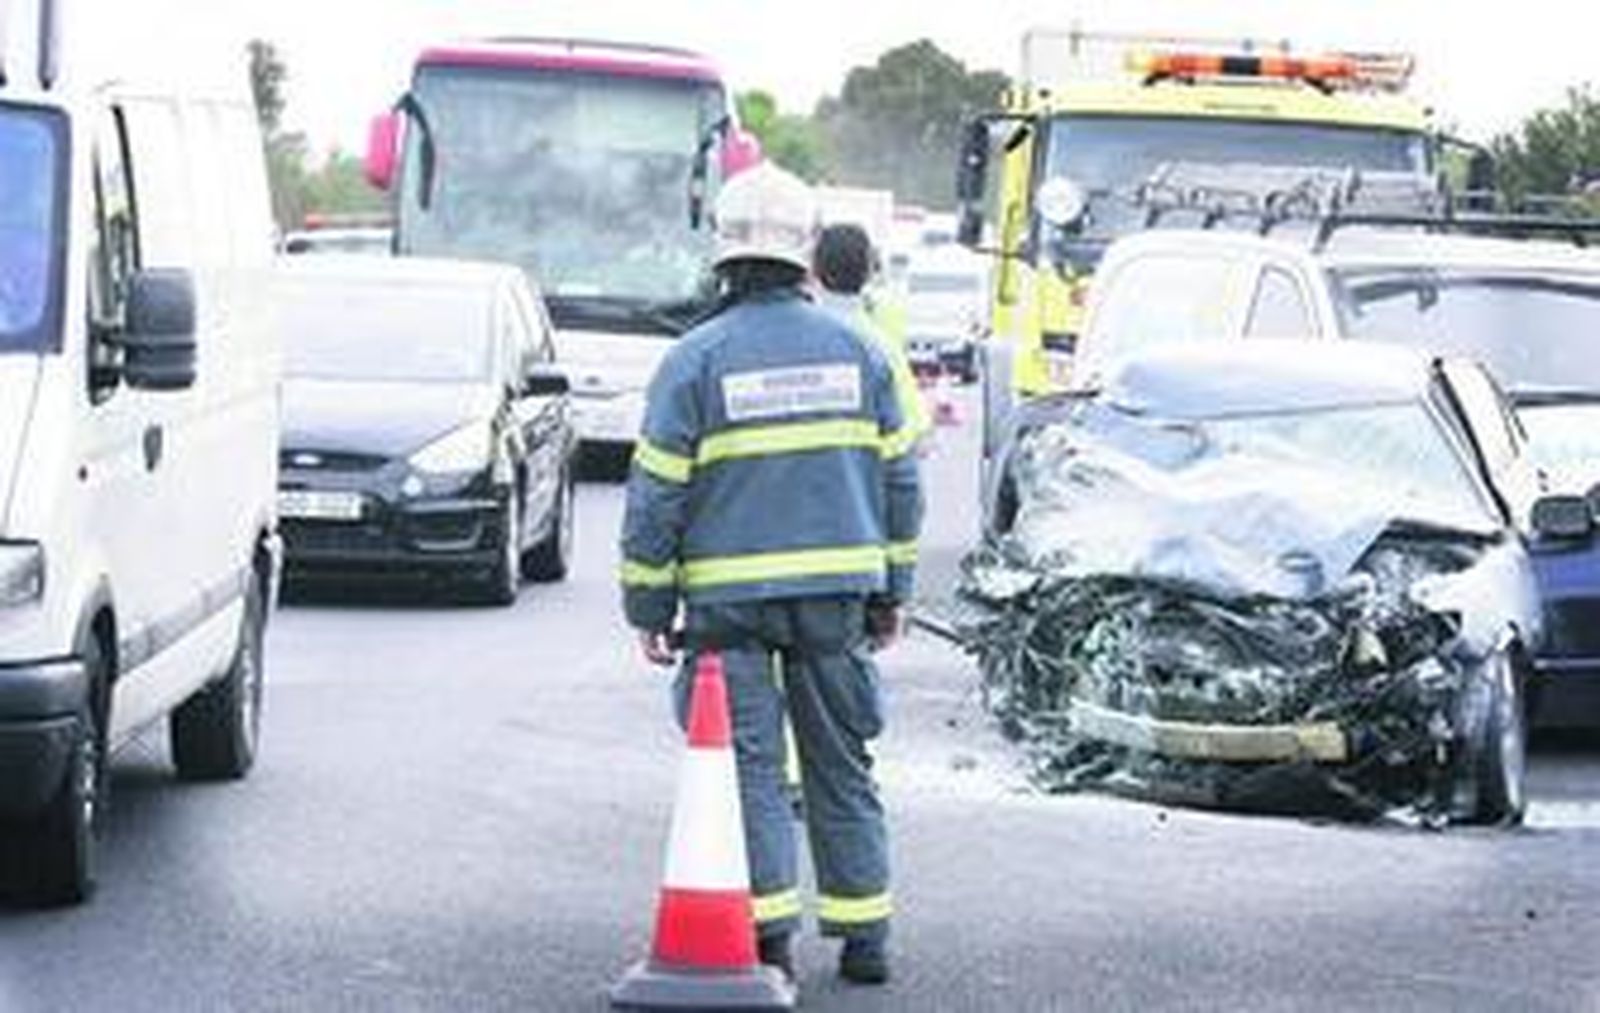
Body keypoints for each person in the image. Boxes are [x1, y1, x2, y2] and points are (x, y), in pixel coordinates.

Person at [620, 163, 923, 988]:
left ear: (723, 254)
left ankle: (770, 940)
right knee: (842, 761)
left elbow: (656, 496)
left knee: (749, 769)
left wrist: (648, 602)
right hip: (835, 600)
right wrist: (893, 592)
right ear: (806, 254)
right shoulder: (863, 352)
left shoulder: (693, 360)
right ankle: (865, 937)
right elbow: (901, 483)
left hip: (728, 607)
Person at [811, 223, 931, 443]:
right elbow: (912, 429)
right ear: (868, 272)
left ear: (814, 271)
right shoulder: (882, 348)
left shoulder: (792, 339)